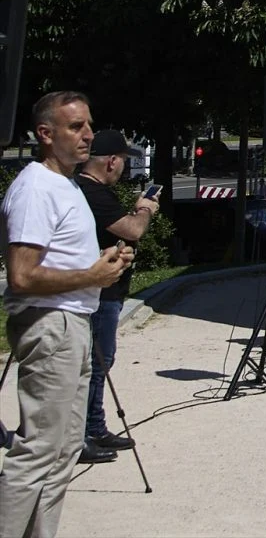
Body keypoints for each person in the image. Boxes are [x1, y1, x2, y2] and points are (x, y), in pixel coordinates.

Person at [1, 92, 133, 538]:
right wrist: (92, 273)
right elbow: (21, 276)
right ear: (45, 134)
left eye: (89, 125)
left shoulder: (68, 184)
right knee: (38, 451)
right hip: (50, 323)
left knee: (62, 454)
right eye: (76, 127)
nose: (89, 135)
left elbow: (59, 262)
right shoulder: (36, 187)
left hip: (73, 322)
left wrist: (103, 263)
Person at [75, 130, 158, 462]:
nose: (123, 167)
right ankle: (82, 434)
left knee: (100, 362)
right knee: (95, 364)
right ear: (111, 161)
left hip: (106, 289)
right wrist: (145, 208)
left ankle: (95, 427)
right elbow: (133, 229)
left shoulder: (89, 190)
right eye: (123, 161)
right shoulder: (92, 192)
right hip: (100, 293)